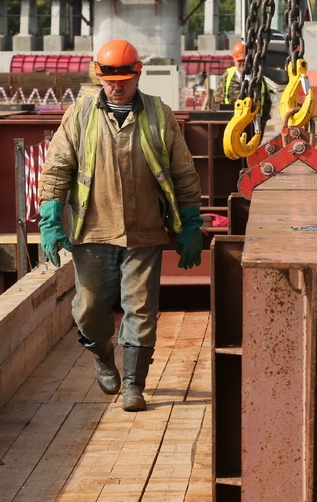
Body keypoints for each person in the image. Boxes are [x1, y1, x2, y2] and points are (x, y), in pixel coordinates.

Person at [36, 38, 204, 412]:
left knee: (141, 310)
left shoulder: (159, 115)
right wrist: (50, 217)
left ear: (138, 75)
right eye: (110, 80)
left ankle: (134, 384)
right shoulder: (80, 115)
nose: (117, 86)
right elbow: (57, 167)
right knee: (90, 309)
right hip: (93, 231)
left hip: (144, 231)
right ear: (99, 77)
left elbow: (183, 171)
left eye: (124, 79)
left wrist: (191, 222)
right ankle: (102, 357)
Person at [216, 41, 248, 107]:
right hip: (232, 115)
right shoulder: (227, 77)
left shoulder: (256, 78)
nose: (242, 63)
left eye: (244, 60)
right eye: (239, 61)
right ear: (234, 60)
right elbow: (218, 99)